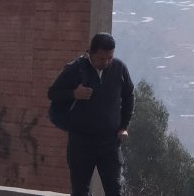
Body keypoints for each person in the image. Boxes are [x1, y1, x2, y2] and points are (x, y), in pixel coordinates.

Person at [48, 32, 135, 196]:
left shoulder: (119, 68)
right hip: (81, 142)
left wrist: (124, 126)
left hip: (110, 142)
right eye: (102, 58)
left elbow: (129, 96)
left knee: (115, 189)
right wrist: (74, 93)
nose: (107, 62)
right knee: (80, 190)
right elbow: (53, 94)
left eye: (110, 57)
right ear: (91, 53)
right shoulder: (76, 69)